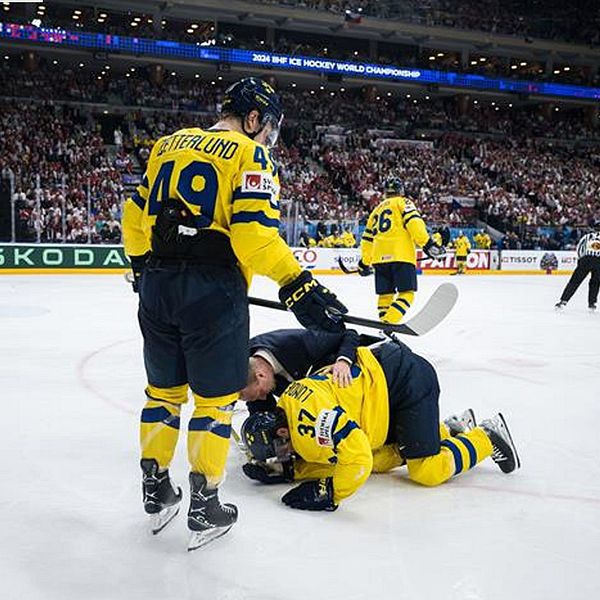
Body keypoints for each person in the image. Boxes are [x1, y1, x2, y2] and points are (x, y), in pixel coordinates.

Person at [121, 77, 347, 549]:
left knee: (162, 394)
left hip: (158, 285)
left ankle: (156, 488)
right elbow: (253, 237)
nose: (267, 135)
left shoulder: (166, 146)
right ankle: (205, 506)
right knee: (214, 402)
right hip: (214, 289)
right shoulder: (250, 154)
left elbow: (133, 216)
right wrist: (297, 283)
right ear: (252, 118)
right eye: (267, 126)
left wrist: (144, 269)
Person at [241, 340, 520, 511]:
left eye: (278, 451)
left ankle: (487, 436)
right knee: (381, 459)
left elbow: (358, 457)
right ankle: (450, 429)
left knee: (427, 470)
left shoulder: (310, 419)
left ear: (281, 432)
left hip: (404, 380)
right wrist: (292, 470)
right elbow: (334, 454)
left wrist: (330, 492)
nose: (282, 454)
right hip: (383, 388)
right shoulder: (289, 404)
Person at [358, 177, 445, 325]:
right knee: (407, 294)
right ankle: (389, 322)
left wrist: (365, 262)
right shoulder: (403, 202)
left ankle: (384, 322)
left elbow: (367, 240)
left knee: (385, 295)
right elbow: (414, 223)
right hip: (401, 255)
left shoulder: (376, 210)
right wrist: (428, 245)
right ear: (401, 190)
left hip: (379, 259)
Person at [240, 327, 380, 411]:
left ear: (261, 375)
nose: (263, 398)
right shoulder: (246, 371)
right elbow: (258, 403)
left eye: (260, 393)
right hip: (324, 399)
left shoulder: (301, 343)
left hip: (369, 376)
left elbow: (349, 334)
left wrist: (343, 361)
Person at [555, 224, 600, 311]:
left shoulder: (587, 236)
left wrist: (581, 259)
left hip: (586, 259)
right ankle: (592, 303)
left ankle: (563, 301)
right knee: (595, 283)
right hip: (598, 261)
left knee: (575, 281)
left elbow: (579, 247)